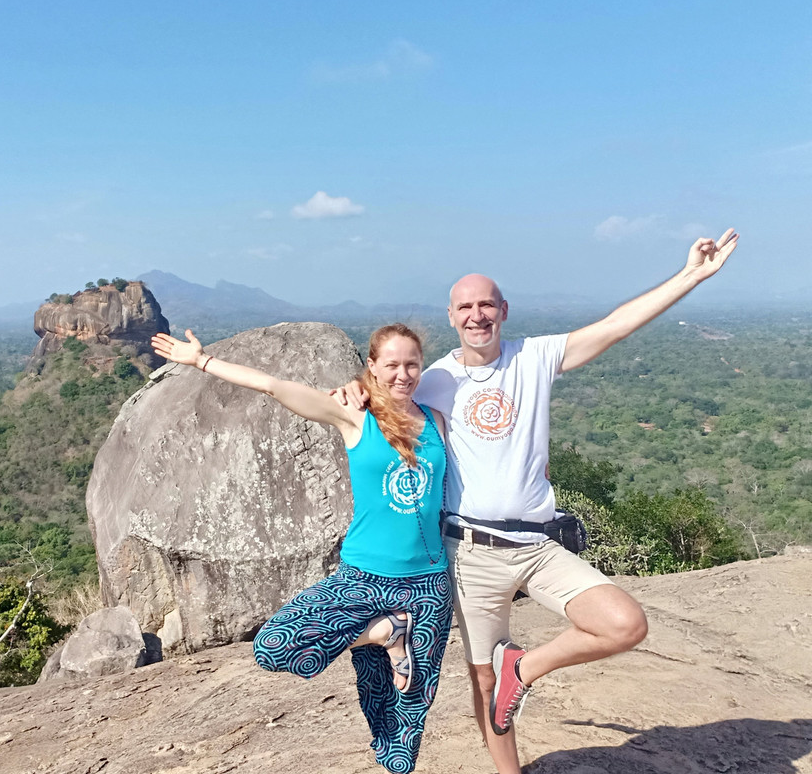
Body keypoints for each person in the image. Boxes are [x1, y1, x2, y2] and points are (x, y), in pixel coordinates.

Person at [340, 230, 740, 774]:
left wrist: (690, 275)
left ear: (503, 310)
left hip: (537, 542)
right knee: (482, 680)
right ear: (452, 316)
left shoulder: (534, 356)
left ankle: (523, 669)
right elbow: (378, 392)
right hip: (471, 550)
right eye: (466, 306)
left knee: (624, 624)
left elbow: (615, 326)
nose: (477, 314)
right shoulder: (433, 379)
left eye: (486, 304)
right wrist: (355, 390)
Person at [151, 324, 452, 774]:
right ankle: (387, 632)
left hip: (428, 586)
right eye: (391, 365)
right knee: (274, 646)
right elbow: (276, 387)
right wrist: (201, 361)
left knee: (404, 717)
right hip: (363, 578)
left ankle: (395, 757)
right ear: (372, 367)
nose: (403, 374)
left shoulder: (436, 421)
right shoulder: (355, 416)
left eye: (411, 364)